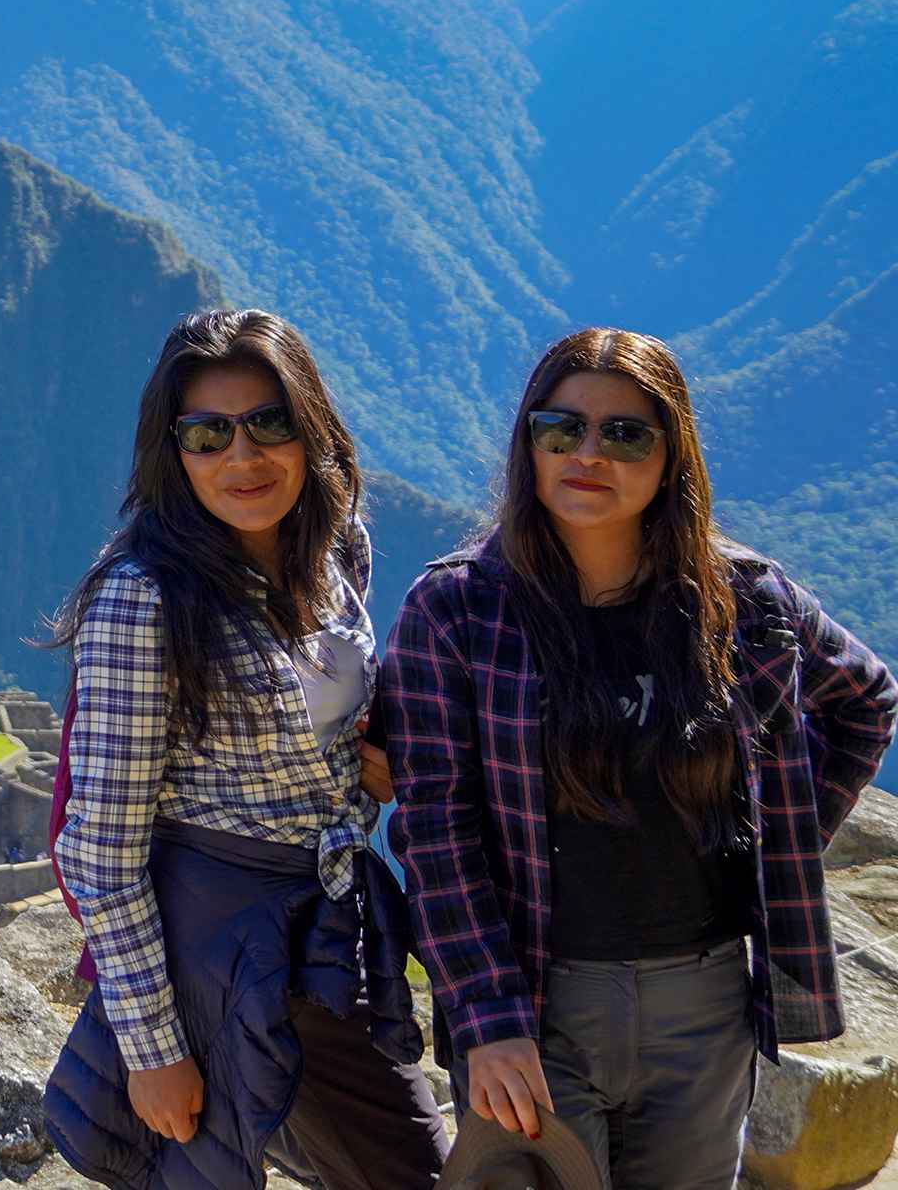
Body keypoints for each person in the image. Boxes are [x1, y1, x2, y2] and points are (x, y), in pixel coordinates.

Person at [381, 327, 897, 1189]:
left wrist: (782, 842)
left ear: (672, 456)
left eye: (625, 433)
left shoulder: (745, 599)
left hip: (705, 1003)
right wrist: (488, 1015)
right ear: (529, 444)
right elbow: (436, 831)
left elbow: (866, 700)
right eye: (561, 429)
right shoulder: (458, 610)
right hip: (539, 1001)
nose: (588, 454)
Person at [43, 309, 446, 1188]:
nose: (243, 457)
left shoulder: (335, 549)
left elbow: (320, 716)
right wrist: (152, 1049)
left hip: (322, 920)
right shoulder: (143, 601)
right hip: (213, 940)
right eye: (208, 433)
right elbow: (100, 852)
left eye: (270, 423)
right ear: (172, 450)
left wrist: (371, 765)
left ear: (312, 431)